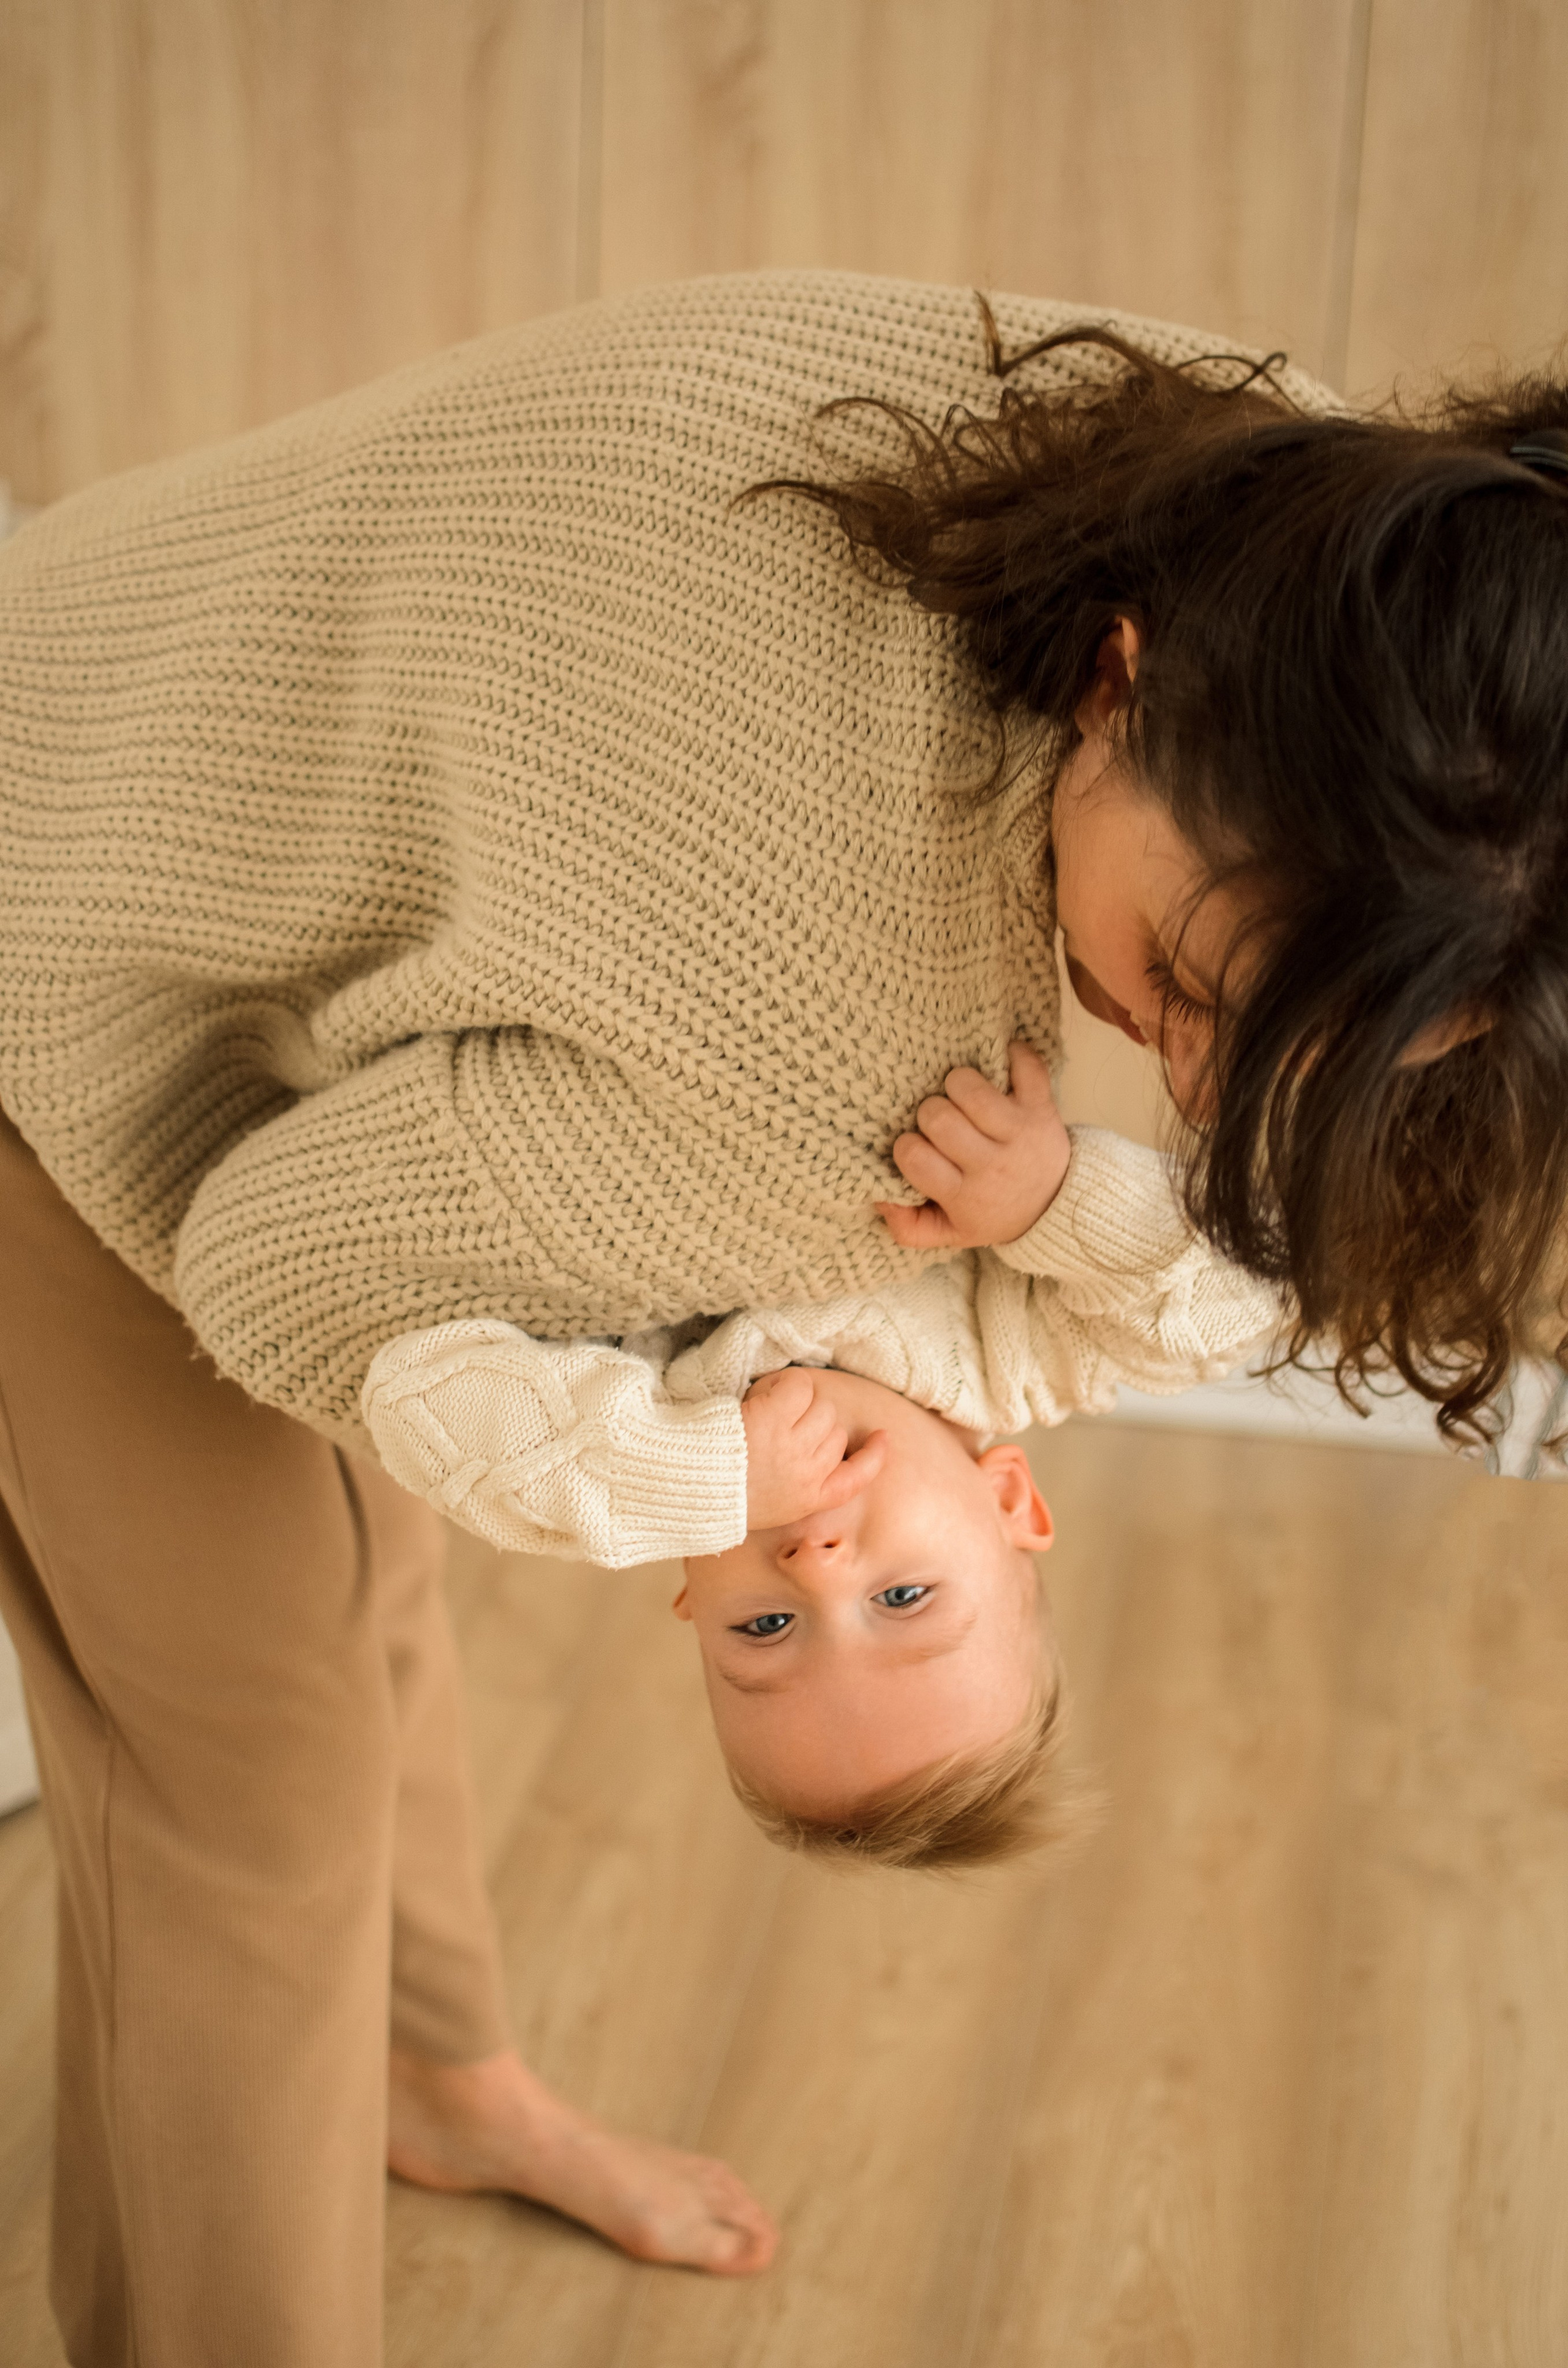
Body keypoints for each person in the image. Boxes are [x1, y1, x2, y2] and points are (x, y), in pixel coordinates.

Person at [3, 265, 1565, 2367]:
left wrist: (700, 1421)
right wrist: (673, 1463)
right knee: (254, 1787)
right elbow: (277, 1264)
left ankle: (444, 2078)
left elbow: (1171, 1301)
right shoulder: (847, 1087)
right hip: (55, 919)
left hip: (136, 648)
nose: (1196, 1085)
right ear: (1121, 683)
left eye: (1296, 1052)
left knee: (366, 1580)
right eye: (1197, 987)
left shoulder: (1282, 510)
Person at [363, 1075, 1275, 1867]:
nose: (817, 1563)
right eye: (905, 1599)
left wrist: (697, 1474)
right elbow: (1237, 1302)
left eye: (764, 1624)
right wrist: (1050, 1198)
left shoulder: (633, 1437)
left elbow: (410, 1399)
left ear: (691, 1588)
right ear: (1007, 1498)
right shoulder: (1015, 1348)